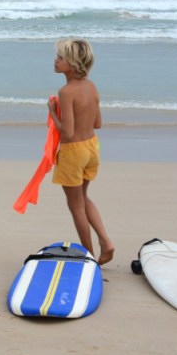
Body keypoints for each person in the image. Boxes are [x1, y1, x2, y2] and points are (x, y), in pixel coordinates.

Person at [47, 38, 114, 265]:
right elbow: (97, 123)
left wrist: (53, 112)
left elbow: (67, 132)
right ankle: (106, 241)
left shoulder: (66, 92)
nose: (55, 60)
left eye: (60, 57)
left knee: (75, 205)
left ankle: (90, 256)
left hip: (73, 151)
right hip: (92, 147)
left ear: (73, 64)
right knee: (83, 198)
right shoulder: (92, 86)